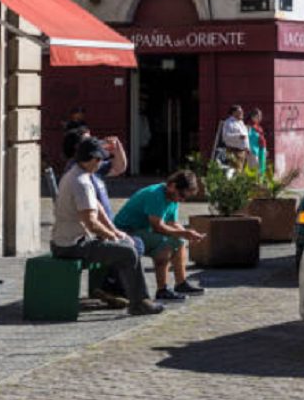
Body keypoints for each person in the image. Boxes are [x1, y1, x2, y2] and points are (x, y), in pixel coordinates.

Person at [50, 138, 163, 316]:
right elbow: (91, 223)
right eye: (100, 159)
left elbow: (98, 208)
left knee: (129, 245)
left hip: (74, 240)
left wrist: (115, 231)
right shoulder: (80, 183)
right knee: (127, 252)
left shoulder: (78, 173)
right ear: (93, 159)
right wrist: (114, 237)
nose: (102, 163)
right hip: (71, 246)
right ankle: (137, 301)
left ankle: (133, 296)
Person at [63, 128, 139, 308]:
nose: (96, 142)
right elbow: (90, 219)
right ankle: (116, 289)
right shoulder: (78, 174)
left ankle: (118, 288)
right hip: (87, 234)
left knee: (132, 243)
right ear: (78, 148)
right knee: (129, 247)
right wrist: (113, 235)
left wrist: (117, 147)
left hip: (103, 227)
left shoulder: (91, 167)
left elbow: (119, 167)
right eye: (89, 141)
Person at [114, 171, 206, 302]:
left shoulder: (173, 196)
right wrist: (184, 233)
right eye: (181, 196)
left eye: (185, 198)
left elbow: (172, 223)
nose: (182, 200)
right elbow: (158, 226)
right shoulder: (156, 195)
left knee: (179, 241)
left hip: (142, 231)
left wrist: (188, 234)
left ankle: (181, 284)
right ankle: (162, 290)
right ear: (172, 186)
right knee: (164, 244)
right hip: (125, 232)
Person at [221, 105, 250, 171]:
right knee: (234, 172)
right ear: (234, 113)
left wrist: (247, 148)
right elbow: (225, 137)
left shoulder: (241, 122)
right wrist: (238, 136)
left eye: (242, 111)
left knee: (241, 172)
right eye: (240, 111)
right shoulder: (228, 123)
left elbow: (246, 137)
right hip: (233, 151)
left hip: (242, 152)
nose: (242, 113)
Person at [247, 108, 268, 175]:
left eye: (261, 116)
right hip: (253, 150)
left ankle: (261, 183)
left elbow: (262, 139)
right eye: (258, 116)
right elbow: (247, 139)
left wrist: (265, 150)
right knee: (255, 168)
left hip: (261, 149)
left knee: (262, 168)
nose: (260, 118)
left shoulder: (259, 127)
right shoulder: (248, 127)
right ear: (253, 117)